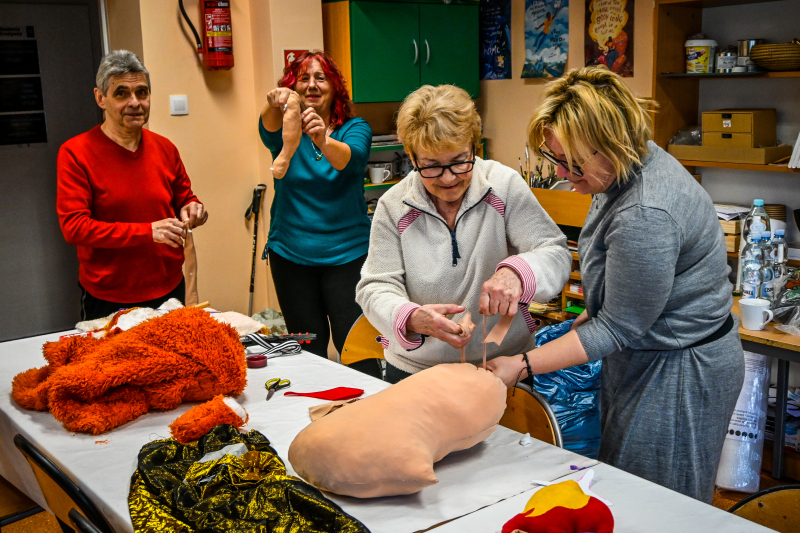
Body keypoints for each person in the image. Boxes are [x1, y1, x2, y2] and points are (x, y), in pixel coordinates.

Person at [486, 66, 744, 503]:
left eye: (573, 163)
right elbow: (629, 298)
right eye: (557, 160)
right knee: (627, 480)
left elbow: (619, 328)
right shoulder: (623, 168)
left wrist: (522, 365)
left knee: (658, 502)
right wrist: (603, 307)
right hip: (652, 352)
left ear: (611, 142)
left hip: (680, 369)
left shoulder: (646, 211)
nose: (566, 175)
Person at [356, 84, 571, 383]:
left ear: (475, 146)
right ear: (411, 156)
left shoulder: (504, 186)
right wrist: (412, 318)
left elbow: (556, 253)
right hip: (416, 372)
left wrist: (518, 273)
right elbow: (375, 287)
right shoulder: (393, 206)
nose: (448, 178)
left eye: (459, 161)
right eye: (431, 166)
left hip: (502, 367)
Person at [57, 50, 207, 321]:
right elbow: (75, 228)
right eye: (122, 93)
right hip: (109, 296)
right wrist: (147, 232)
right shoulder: (75, 153)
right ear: (100, 98)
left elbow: (185, 198)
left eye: (142, 92)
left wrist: (193, 209)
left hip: (169, 289)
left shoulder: (165, 148)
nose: (135, 102)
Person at [258, 51, 380, 378]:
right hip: (291, 255)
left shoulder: (355, 128)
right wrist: (274, 102)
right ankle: (312, 414)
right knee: (306, 349)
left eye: (320, 78)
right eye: (303, 78)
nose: (312, 85)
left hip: (347, 256)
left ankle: (367, 416)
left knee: (355, 347)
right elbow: (266, 124)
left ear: (334, 87)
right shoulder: (286, 129)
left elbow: (348, 161)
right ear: (293, 87)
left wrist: (322, 138)